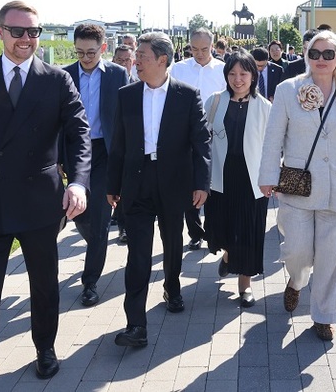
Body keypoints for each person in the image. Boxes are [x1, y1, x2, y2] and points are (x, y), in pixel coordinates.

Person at [0, 1, 91, 390]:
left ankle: (45, 347)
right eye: (18, 32)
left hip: (39, 204)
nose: (27, 40)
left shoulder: (56, 80)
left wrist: (78, 182)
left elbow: (79, 133)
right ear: (0, 33)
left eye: (34, 32)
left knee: (44, 285)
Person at [258, 30, 336, 342]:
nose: (321, 59)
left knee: (331, 256)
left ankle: (324, 316)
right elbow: (273, 138)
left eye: (328, 53)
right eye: (315, 53)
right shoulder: (287, 91)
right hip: (298, 186)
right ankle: (296, 281)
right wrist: (267, 175)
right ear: (306, 56)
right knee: (297, 250)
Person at [107, 32, 211, 348]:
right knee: (138, 254)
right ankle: (135, 324)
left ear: (162, 60)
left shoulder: (186, 95)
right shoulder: (127, 95)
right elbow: (119, 144)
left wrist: (201, 183)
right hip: (136, 183)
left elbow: (200, 143)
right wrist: (112, 185)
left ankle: (173, 286)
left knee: (171, 240)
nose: (136, 61)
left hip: (173, 180)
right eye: (136, 56)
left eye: (143, 56)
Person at [62, 23, 129, 308]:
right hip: (75, 152)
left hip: (104, 151)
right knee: (78, 213)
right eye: (79, 52)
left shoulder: (117, 74)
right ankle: (96, 244)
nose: (85, 58)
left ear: (103, 49)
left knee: (100, 218)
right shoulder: (64, 75)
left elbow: (126, 116)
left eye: (91, 52)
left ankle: (90, 282)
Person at [203, 51, 272, 307]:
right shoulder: (214, 101)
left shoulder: (265, 107)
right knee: (221, 227)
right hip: (220, 176)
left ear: (253, 76)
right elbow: (201, 139)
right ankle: (228, 256)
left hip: (252, 180)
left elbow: (273, 146)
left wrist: (271, 178)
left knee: (248, 232)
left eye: (244, 73)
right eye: (232, 73)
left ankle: (245, 285)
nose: (238, 79)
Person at [170, 28, 226, 251]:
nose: (199, 53)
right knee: (189, 182)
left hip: (216, 133)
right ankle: (195, 231)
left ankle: (213, 230)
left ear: (212, 46)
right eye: (194, 49)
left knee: (213, 183)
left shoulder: (223, 70)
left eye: (204, 49)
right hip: (186, 134)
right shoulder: (179, 68)